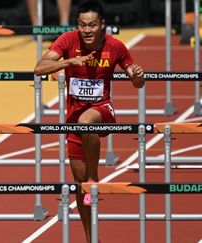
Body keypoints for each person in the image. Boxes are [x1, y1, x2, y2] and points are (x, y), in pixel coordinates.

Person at [34, 1, 144, 242]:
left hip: (103, 111)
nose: (87, 30)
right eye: (82, 25)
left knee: (87, 125)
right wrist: (67, 62)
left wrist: (137, 76)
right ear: (77, 25)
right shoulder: (67, 40)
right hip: (73, 119)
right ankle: (91, 238)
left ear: (102, 25)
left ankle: (94, 174)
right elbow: (39, 68)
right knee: (81, 187)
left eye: (92, 25)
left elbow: (137, 82)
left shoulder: (116, 47)